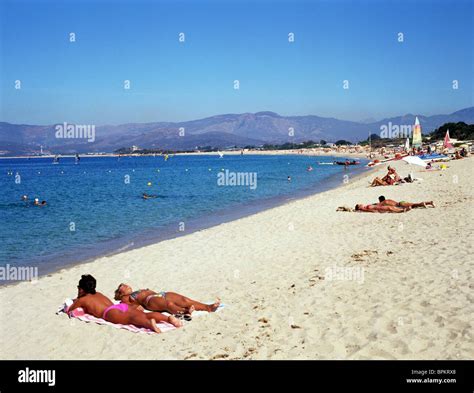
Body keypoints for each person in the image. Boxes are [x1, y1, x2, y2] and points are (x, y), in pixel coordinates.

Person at [67, 275, 183, 333]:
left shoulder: (82, 299)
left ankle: (149, 324)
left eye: (79, 287)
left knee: (132, 319)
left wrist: (77, 298)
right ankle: (168, 319)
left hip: (109, 313)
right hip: (118, 306)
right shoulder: (99, 294)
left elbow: (70, 310)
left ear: (81, 289)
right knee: (142, 314)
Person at [114, 283, 220, 316]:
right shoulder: (125, 298)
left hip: (161, 294)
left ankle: (208, 307)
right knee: (168, 304)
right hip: (150, 301)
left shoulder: (132, 292)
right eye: (123, 286)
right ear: (120, 292)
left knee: (185, 300)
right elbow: (125, 306)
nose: (126, 285)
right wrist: (136, 306)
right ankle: (185, 312)